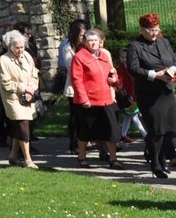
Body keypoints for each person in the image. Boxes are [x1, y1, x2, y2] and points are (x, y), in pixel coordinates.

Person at [126, 13, 176, 178]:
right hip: (148, 94)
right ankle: (155, 164)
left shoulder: (164, 42)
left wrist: (171, 71)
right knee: (157, 130)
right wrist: (154, 75)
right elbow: (133, 68)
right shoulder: (135, 46)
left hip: (166, 92)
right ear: (142, 30)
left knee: (170, 130)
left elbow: (173, 60)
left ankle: (162, 158)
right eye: (151, 30)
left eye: (156, 29)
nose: (155, 33)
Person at [71, 30, 122, 170]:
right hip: (89, 101)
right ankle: (82, 156)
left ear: (100, 41)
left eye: (96, 40)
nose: (93, 43)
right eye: (90, 40)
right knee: (87, 130)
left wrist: (115, 79)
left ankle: (113, 159)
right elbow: (77, 80)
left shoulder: (104, 55)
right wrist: (83, 99)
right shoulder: (79, 57)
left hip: (106, 99)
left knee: (112, 130)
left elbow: (112, 72)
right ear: (84, 42)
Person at [0, 30, 39, 169]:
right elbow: (6, 83)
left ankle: (13, 156)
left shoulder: (27, 55)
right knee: (23, 126)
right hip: (13, 98)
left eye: (22, 47)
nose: (21, 50)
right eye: (17, 47)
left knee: (19, 128)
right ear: (9, 46)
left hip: (27, 96)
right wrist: (24, 88)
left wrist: (32, 88)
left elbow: (34, 74)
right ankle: (28, 159)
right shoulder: (3, 60)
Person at [61, 20, 88, 154]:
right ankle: (74, 142)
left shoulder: (86, 46)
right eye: (81, 35)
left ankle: (85, 140)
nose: (84, 38)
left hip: (88, 85)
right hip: (74, 87)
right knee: (75, 116)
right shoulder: (68, 48)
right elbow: (72, 68)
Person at [116, 48, 147, 143]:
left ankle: (123, 134)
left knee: (129, 117)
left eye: (126, 57)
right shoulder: (121, 69)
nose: (124, 59)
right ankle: (145, 135)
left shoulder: (132, 67)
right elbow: (119, 81)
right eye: (122, 57)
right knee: (134, 116)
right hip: (128, 96)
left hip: (134, 94)